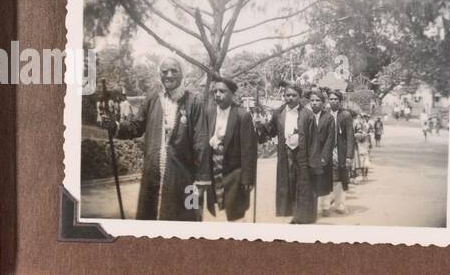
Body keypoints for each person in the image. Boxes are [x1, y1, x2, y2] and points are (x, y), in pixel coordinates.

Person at [104, 58, 204, 221]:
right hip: (152, 173)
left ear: (182, 74)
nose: (169, 75)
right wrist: (116, 126)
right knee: (150, 220)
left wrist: (202, 179)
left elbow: (201, 141)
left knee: (184, 219)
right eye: (164, 72)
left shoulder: (194, 102)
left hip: (183, 176)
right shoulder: (152, 98)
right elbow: (136, 125)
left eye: (174, 71)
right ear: (160, 75)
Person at [198, 77, 257, 222]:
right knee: (218, 207)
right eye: (215, 91)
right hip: (215, 169)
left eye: (222, 91)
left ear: (232, 94)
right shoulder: (209, 112)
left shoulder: (242, 115)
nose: (217, 94)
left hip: (234, 172)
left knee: (236, 213)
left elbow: (248, 150)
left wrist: (248, 178)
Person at [258, 83, 317, 224]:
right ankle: (291, 214)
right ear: (284, 96)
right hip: (286, 154)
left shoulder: (308, 115)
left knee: (302, 184)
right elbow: (271, 131)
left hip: (302, 155)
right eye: (287, 95)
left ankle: (301, 216)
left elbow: (313, 140)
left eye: (294, 95)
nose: (290, 98)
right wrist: (261, 125)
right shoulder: (278, 113)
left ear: (300, 97)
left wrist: (313, 161)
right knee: (288, 183)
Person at [308, 89, 336, 215]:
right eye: (312, 100)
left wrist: (324, 157)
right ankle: (311, 208)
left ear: (323, 103)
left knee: (323, 181)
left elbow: (330, 139)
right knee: (310, 181)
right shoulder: (306, 116)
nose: (314, 103)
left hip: (322, 154)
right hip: (309, 155)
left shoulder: (329, 118)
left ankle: (325, 207)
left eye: (317, 100)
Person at [327, 91, 355, 215]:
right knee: (328, 176)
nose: (333, 101)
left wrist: (349, 155)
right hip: (327, 150)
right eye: (331, 99)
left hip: (340, 150)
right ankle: (327, 201)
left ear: (340, 101)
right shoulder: (325, 113)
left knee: (341, 177)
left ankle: (340, 204)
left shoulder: (345, 115)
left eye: (335, 99)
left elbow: (350, 136)